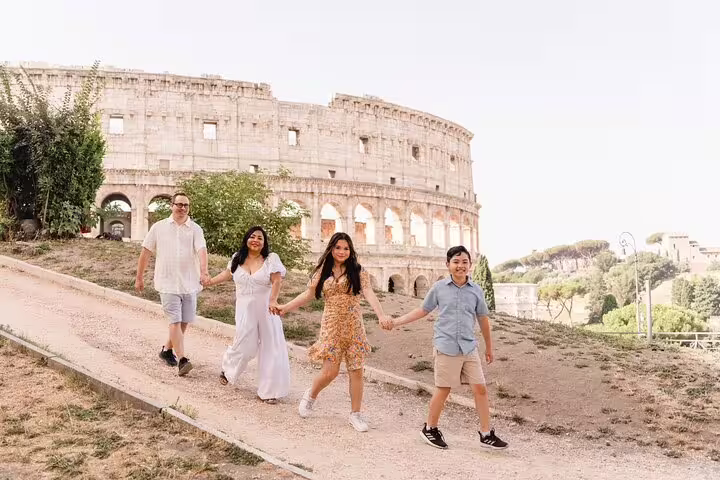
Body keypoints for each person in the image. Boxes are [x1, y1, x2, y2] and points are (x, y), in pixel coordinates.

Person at [383, 245, 508, 450]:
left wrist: (489, 348)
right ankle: (430, 429)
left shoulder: (476, 290)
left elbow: (483, 319)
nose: (460, 266)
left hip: (469, 347)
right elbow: (422, 310)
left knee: (481, 389)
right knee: (443, 389)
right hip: (446, 346)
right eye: (456, 262)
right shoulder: (439, 288)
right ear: (448, 264)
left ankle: (486, 434)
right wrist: (396, 322)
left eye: (464, 262)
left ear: (470, 264)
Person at [277, 232, 391, 432]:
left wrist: (381, 315)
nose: (342, 251)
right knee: (330, 372)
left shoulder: (358, 270)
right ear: (331, 248)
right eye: (338, 247)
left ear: (351, 250)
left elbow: (369, 292)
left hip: (354, 325)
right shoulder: (323, 271)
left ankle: (356, 414)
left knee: (356, 370)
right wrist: (286, 307)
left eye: (346, 248)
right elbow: (309, 294)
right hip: (331, 325)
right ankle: (311, 395)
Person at [202, 226, 290, 404]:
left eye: (260, 238)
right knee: (245, 345)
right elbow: (228, 274)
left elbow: (276, 280)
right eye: (252, 237)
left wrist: (273, 300)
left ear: (264, 243)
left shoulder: (271, 259)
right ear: (247, 239)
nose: (256, 240)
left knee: (271, 348)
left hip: (267, 309)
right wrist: (209, 282)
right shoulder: (237, 258)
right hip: (245, 309)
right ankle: (228, 369)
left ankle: (269, 391)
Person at [135, 192, 210, 377]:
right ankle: (183, 359)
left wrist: (204, 271)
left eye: (186, 205)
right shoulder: (159, 227)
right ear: (172, 205)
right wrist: (139, 277)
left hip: (189, 282)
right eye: (179, 204)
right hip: (167, 282)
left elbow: (201, 251)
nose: (182, 208)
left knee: (184, 321)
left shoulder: (195, 229)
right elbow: (145, 252)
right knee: (174, 321)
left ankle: (167, 350)